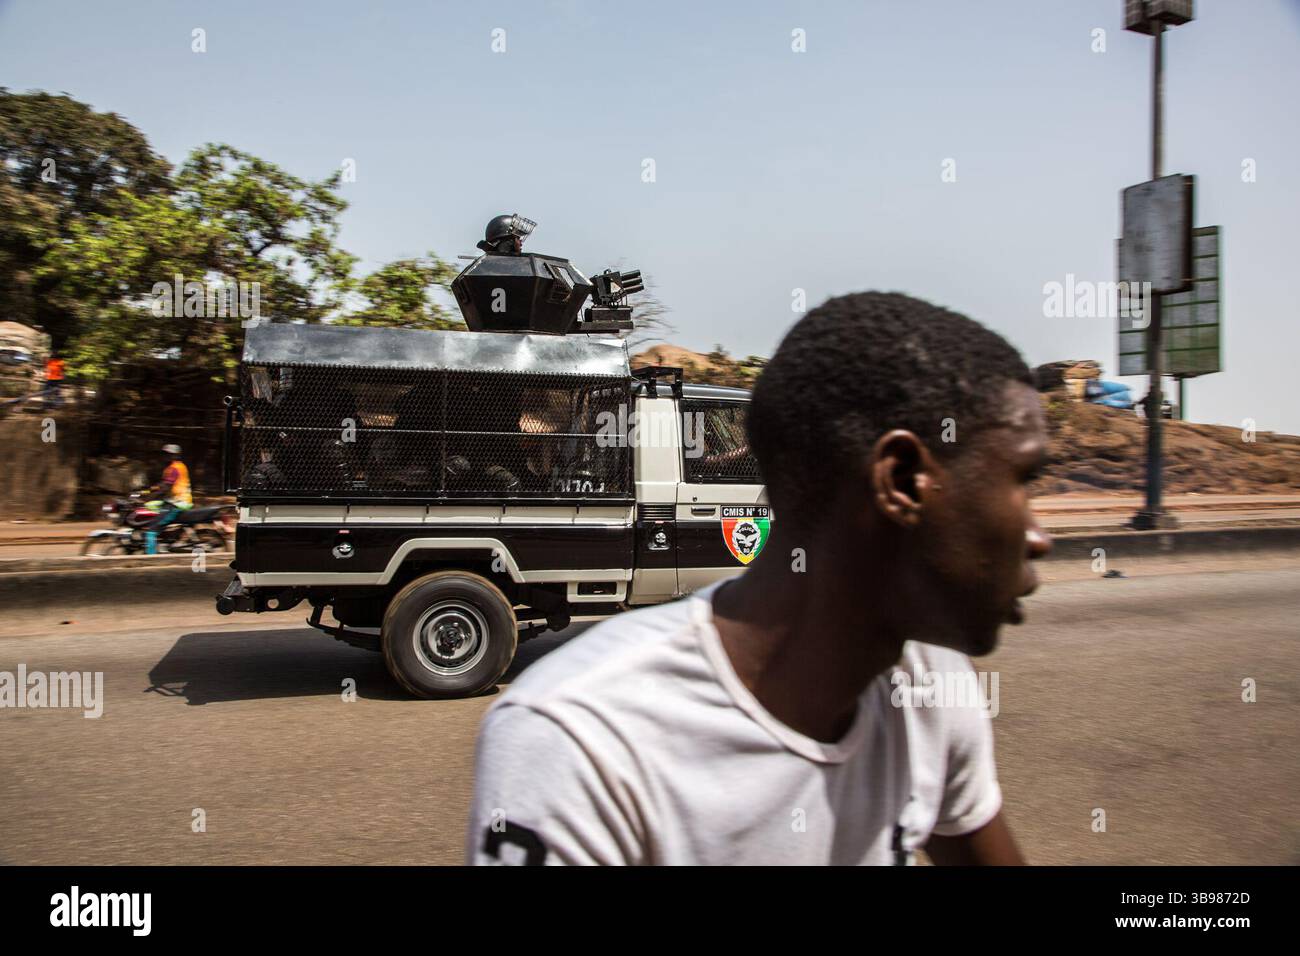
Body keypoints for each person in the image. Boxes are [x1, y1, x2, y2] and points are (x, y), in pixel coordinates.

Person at [466, 291, 1052, 866]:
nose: (1039, 536)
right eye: (1023, 479)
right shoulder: (576, 741)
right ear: (900, 481)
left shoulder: (929, 682)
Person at [147, 443, 193, 532]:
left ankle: (150, 545)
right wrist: (148, 490)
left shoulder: (175, 468)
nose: (165, 456)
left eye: (169, 454)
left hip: (178, 502)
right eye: (164, 454)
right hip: (172, 500)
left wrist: (149, 496)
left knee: (153, 527)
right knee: (150, 507)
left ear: (176, 455)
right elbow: (163, 484)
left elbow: (166, 487)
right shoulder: (172, 467)